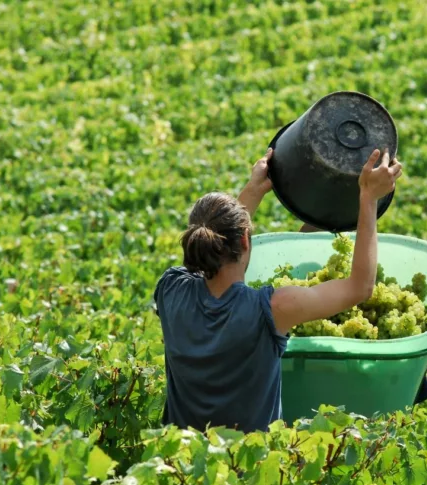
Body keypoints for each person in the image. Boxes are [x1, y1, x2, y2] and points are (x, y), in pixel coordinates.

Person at [154, 147, 403, 433]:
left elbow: (210, 262)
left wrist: (253, 190)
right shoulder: (272, 308)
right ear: (246, 241)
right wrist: (368, 199)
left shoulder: (170, 289)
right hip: (250, 468)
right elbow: (360, 287)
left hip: (181, 465)